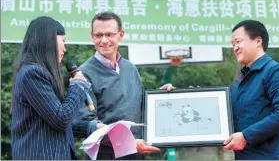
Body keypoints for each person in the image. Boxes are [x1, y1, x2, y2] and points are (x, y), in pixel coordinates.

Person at [72, 11, 174, 160]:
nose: (104, 40)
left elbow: (140, 107)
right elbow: (88, 124)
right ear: (92, 37)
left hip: (136, 155)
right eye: (99, 35)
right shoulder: (83, 75)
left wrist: (161, 98)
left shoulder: (130, 68)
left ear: (120, 35)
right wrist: (130, 143)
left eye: (110, 34)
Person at [11, 16, 91, 160]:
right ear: (49, 41)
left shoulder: (38, 73)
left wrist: (91, 127)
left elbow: (55, 123)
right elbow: (61, 119)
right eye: (63, 41)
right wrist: (78, 85)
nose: (65, 49)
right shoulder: (32, 73)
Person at [223, 20, 279, 159]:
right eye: (233, 44)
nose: (235, 48)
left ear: (258, 41)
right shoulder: (241, 80)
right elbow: (226, 113)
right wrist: (189, 96)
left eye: (238, 41)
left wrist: (246, 136)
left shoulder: (277, 72)